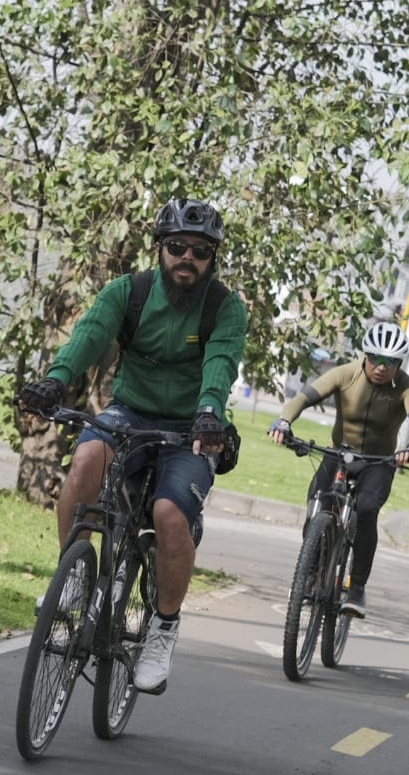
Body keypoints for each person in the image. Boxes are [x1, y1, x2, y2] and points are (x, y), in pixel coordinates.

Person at [17, 197, 247, 695]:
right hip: (131, 411)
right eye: (178, 246)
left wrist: (210, 411)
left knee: (168, 514)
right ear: (159, 248)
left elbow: (221, 364)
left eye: (201, 251)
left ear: (213, 258)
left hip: (193, 428)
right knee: (84, 460)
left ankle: (163, 628)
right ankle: (73, 575)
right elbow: (89, 335)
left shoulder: (223, 308)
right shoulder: (130, 292)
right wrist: (56, 381)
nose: (188, 257)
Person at [268, 322, 409, 612]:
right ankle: (311, 569)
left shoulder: (407, 387)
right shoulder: (345, 373)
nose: (381, 367)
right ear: (365, 355)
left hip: (377, 462)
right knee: (318, 500)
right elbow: (304, 398)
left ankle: (356, 588)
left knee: (366, 511)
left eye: (390, 361)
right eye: (375, 358)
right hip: (339, 452)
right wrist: (284, 422)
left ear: (399, 363)